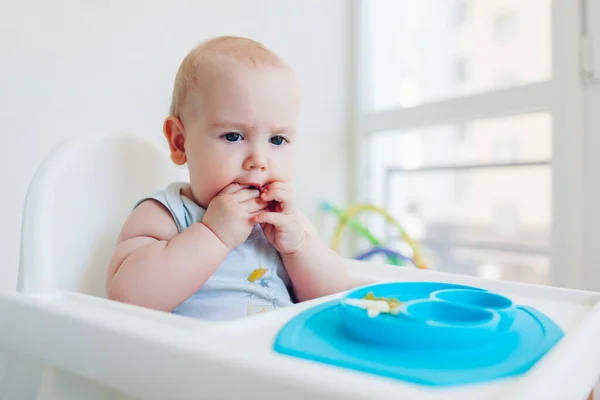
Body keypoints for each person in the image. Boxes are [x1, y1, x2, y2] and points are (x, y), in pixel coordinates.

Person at [106, 36, 362, 320]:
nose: (259, 160)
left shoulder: (290, 224)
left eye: (277, 139)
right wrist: (213, 235)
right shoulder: (165, 215)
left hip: (276, 352)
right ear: (180, 142)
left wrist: (298, 248)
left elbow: (336, 296)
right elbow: (127, 297)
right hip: (199, 360)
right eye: (233, 136)